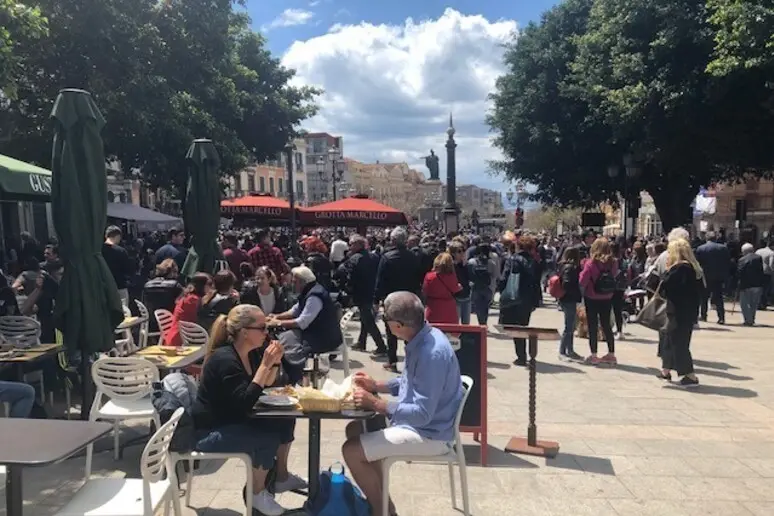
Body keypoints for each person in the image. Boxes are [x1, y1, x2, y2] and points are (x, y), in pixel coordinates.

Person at [341, 292, 464, 516]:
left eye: (385, 320)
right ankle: (385, 507)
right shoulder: (423, 336)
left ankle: (381, 511)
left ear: (397, 325)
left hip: (431, 434)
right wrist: (376, 385)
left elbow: (422, 414)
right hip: (423, 425)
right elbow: (410, 381)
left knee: (351, 450)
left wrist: (378, 404)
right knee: (356, 429)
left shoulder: (430, 353)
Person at [191, 305, 305, 516]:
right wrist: (265, 365)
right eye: (262, 328)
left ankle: (280, 477)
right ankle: (257, 494)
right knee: (266, 437)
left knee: (285, 419)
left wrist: (274, 363)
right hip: (209, 432)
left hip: (231, 419)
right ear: (245, 332)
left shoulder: (249, 353)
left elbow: (265, 385)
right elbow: (244, 401)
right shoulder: (225, 359)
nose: (266, 333)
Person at [267, 266, 343, 358]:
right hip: (315, 332)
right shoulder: (308, 291)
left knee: (290, 348)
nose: (292, 284)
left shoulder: (314, 296)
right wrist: (276, 317)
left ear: (303, 282)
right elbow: (295, 310)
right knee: (286, 337)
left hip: (324, 338)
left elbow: (302, 322)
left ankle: (295, 369)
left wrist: (278, 323)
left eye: (295, 282)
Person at [373, 227, 420, 372]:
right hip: (410, 297)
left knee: (391, 331)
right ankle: (411, 362)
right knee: (410, 331)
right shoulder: (413, 257)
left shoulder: (387, 257)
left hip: (392, 299)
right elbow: (418, 277)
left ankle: (392, 361)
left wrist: (376, 300)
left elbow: (380, 280)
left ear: (393, 240)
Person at [657, 239, 703, 387]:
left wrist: (666, 272)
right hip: (686, 312)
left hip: (679, 312)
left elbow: (667, 288)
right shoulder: (693, 268)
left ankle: (690, 376)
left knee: (679, 343)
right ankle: (666, 371)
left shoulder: (680, 269)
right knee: (669, 340)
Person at [498, 233, 541, 366]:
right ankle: (529, 354)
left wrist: (501, 291)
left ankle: (521, 356)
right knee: (523, 325)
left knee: (515, 327)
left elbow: (504, 278)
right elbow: (537, 282)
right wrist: (535, 300)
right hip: (527, 299)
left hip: (513, 296)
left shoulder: (512, 260)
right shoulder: (535, 262)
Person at [339, 235, 386, 354]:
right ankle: (362, 342)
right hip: (372, 291)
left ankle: (381, 346)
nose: (350, 247)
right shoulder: (375, 256)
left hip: (360, 292)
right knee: (365, 318)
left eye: (351, 244)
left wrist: (348, 289)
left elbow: (348, 276)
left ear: (358, 245)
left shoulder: (354, 258)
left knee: (368, 320)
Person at [578, 237, 618, 366]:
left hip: (592, 297)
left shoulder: (590, 263)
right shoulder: (613, 262)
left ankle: (594, 355)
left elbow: (582, 281)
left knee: (593, 325)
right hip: (607, 296)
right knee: (606, 325)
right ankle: (611, 354)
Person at [165, 273, 211, 347]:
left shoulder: (186, 297)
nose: (211, 287)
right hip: (182, 342)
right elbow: (202, 320)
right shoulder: (193, 300)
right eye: (209, 284)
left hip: (175, 337)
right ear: (202, 286)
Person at [695, 231, 731, 324]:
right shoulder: (723, 248)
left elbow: (697, 263)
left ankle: (703, 316)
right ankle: (721, 317)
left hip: (705, 276)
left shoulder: (701, 248)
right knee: (719, 298)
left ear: (706, 238)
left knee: (704, 298)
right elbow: (728, 262)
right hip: (719, 277)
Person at [142, 259, 184, 333]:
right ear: (172, 272)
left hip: (150, 322)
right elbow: (181, 306)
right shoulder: (175, 286)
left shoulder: (147, 285)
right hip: (169, 323)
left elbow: (144, 303)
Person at [557, 246, 583, 361]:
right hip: (569, 299)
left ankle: (570, 350)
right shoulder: (570, 268)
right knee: (569, 326)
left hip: (566, 299)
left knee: (571, 325)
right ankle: (562, 351)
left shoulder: (564, 266)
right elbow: (566, 283)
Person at [421, 252, 461, 324]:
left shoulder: (429, 276)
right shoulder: (452, 276)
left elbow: (425, 291)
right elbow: (455, 289)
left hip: (433, 308)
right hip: (449, 309)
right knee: (450, 332)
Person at [467, 243, 498, 326]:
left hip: (475, 288)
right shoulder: (491, 262)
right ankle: (484, 323)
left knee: (478, 308)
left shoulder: (472, 262)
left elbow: (469, 276)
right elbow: (495, 276)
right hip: (487, 288)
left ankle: (481, 324)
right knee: (485, 308)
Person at [102, 226, 133, 306]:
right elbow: (128, 270)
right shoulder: (121, 251)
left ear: (106, 236)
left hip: (103, 288)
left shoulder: (98, 251)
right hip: (120, 286)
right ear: (118, 236)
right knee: (124, 312)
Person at [737, 243, 764, 326]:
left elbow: (739, 273)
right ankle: (751, 319)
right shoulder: (758, 258)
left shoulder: (742, 260)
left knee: (744, 304)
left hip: (746, 285)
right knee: (754, 304)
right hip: (757, 284)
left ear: (744, 251)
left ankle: (748, 320)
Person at [448, 241, 471, 324]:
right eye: (459, 251)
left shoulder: (465, 265)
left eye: (463, 251)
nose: (462, 253)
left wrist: (465, 265)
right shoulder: (450, 266)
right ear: (453, 253)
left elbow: (470, 278)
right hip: (456, 298)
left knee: (466, 324)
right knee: (455, 324)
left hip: (466, 296)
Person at [755, 238, 774, 310]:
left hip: (757, 272)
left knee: (758, 289)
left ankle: (757, 303)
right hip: (767, 273)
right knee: (765, 289)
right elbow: (771, 264)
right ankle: (762, 304)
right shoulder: (771, 253)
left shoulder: (758, 251)